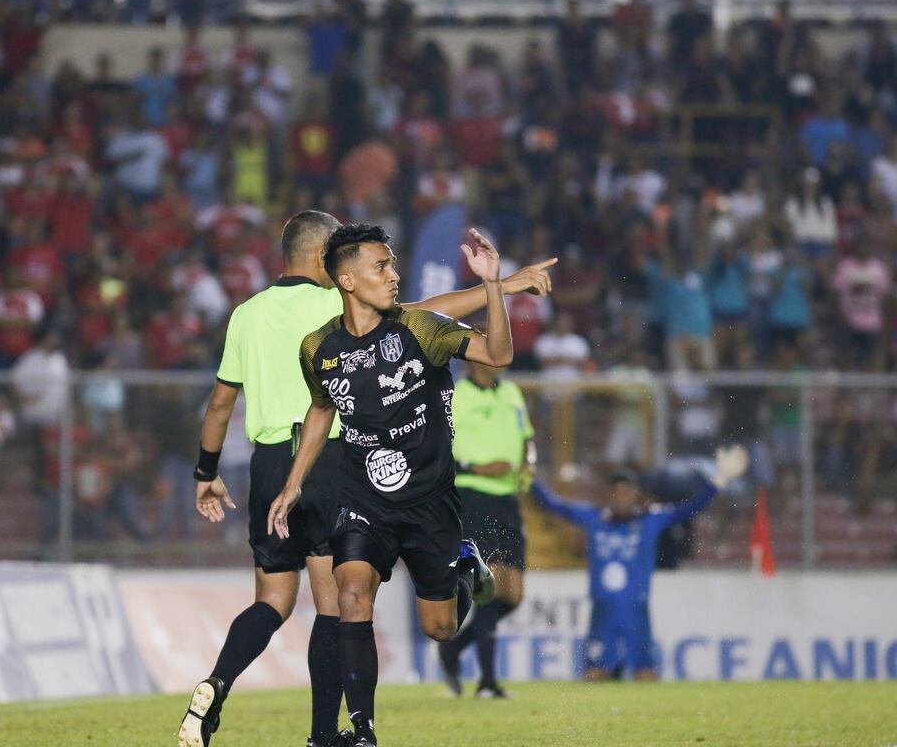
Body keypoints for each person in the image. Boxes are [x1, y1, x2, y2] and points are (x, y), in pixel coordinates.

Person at [178, 213, 554, 747]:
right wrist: (295, 483)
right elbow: (329, 402)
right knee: (343, 596)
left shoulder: (251, 313)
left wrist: (206, 472)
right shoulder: (325, 326)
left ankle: (222, 683)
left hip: (334, 477)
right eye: (381, 265)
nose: (393, 274)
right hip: (344, 475)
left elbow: (221, 401)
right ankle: (345, 734)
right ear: (334, 269)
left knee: (298, 603)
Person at [530, 446, 747, 680]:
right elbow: (552, 504)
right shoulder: (593, 518)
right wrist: (529, 477)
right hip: (603, 613)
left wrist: (719, 481)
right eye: (616, 491)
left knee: (645, 674)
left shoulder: (650, 520)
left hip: (636, 611)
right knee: (594, 674)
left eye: (626, 490)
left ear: (636, 494)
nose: (621, 495)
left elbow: (689, 509)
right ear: (608, 495)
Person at [437, 362, 535, 699]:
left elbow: (528, 438)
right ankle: (488, 682)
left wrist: (528, 462)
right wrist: (477, 466)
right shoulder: (455, 395)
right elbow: (435, 449)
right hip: (471, 495)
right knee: (490, 586)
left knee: (514, 594)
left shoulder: (511, 392)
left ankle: (454, 649)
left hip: (507, 498)